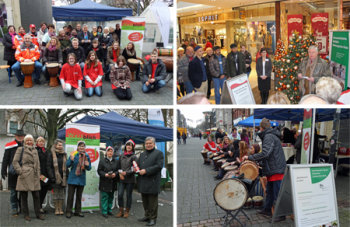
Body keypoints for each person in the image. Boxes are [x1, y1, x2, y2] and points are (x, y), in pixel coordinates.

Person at [242, 118, 286, 222]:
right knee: (270, 191)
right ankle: (267, 210)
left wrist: (250, 157)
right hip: (273, 169)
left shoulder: (269, 136)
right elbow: (269, 155)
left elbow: (266, 153)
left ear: (261, 128)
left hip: (276, 169)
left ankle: (281, 215)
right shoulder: (270, 135)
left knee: (276, 194)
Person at [13, 134, 44, 221]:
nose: (29, 142)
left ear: (33, 141)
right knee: (24, 196)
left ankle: (38, 214)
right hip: (24, 174)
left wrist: (38, 174)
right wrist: (20, 171)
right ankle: (26, 214)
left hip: (34, 175)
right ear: (25, 141)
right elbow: (15, 162)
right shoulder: (20, 149)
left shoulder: (35, 150)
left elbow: (38, 163)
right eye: (27, 140)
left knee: (36, 195)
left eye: (31, 140)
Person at [137, 137, 164, 226]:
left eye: (150, 143)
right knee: (145, 201)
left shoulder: (158, 153)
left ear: (154, 144)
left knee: (152, 202)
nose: (148, 145)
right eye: (147, 143)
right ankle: (147, 216)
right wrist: (136, 168)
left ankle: (153, 218)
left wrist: (146, 170)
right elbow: (138, 165)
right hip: (143, 181)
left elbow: (158, 166)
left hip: (152, 181)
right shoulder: (142, 154)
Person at [1, 129, 25, 216]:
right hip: (13, 172)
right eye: (19, 136)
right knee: (13, 192)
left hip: (23, 172)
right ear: (15, 136)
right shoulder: (10, 146)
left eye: (22, 136)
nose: (20, 137)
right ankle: (14, 208)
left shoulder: (26, 145)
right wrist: (3, 170)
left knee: (23, 192)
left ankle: (22, 207)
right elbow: (5, 159)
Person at [65, 141, 91, 218]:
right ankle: (68, 211)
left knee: (79, 196)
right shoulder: (73, 154)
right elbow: (67, 165)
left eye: (83, 146)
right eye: (80, 146)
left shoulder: (86, 156)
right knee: (70, 197)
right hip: (72, 178)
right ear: (77, 147)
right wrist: (71, 159)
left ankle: (78, 211)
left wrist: (87, 165)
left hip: (81, 179)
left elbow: (89, 168)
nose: (81, 147)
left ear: (85, 147)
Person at [116, 140, 137, 218]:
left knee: (128, 196)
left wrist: (126, 173)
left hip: (130, 179)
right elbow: (118, 167)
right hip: (122, 178)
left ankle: (127, 211)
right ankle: (121, 210)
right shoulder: (121, 156)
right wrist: (120, 173)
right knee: (120, 194)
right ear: (125, 146)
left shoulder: (134, 156)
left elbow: (134, 168)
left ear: (132, 147)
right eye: (127, 145)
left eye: (130, 145)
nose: (128, 146)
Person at [47, 139, 67, 215]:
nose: (60, 146)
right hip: (55, 177)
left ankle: (60, 208)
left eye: (61, 145)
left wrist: (66, 175)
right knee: (55, 194)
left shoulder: (64, 154)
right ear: (55, 145)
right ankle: (56, 208)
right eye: (59, 145)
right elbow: (48, 166)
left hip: (63, 177)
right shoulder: (51, 153)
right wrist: (52, 176)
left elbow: (66, 166)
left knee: (61, 194)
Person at [97, 146, 119, 218]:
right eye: (108, 151)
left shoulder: (116, 161)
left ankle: (109, 210)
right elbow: (99, 170)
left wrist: (115, 174)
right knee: (104, 197)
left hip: (113, 182)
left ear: (113, 152)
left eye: (111, 151)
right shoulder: (102, 161)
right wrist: (105, 174)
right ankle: (104, 211)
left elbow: (118, 170)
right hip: (105, 182)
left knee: (111, 197)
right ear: (106, 152)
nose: (110, 152)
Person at [35, 137, 51, 214]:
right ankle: (38, 208)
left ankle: (40, 206)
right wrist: (39, 173)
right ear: (37, 142)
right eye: (39, 141)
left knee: (44, 191)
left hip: (46, 174)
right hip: (39, 174)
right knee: (38, 192)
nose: (41, 143)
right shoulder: (35, 150)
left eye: (42, 141)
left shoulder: (47, 151)